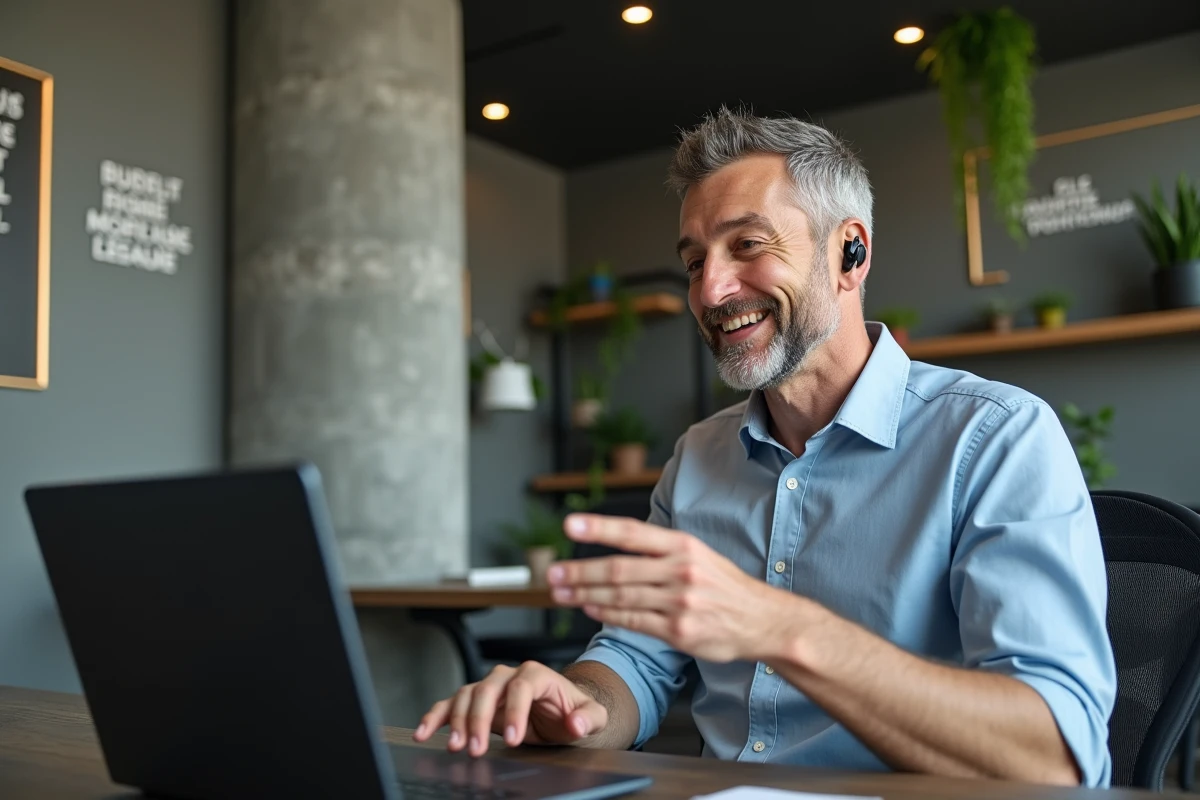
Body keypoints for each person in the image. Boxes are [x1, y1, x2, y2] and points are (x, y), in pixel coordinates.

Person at [414, 107, 1117, 787]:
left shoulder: (995, 438)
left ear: (851, 253)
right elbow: (632, 661)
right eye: (694, 261)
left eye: (747, 245)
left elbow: (1055, 755)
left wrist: (780, 628)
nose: (712, 290)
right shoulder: (696, 460)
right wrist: (574, 706)